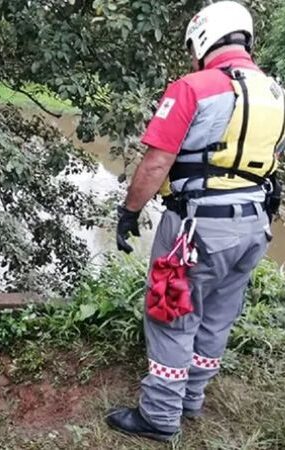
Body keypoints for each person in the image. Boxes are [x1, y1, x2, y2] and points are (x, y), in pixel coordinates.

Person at [108, 1, 285, 442]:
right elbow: (273, 159)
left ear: (205, 38)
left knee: (171, 312)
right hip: (253, 228)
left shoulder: (193, 87)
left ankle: (160, 416)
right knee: (217, 315)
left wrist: (130, 212)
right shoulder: (276, 93)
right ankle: (191, 399)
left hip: (198, 226)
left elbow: (156, 162)